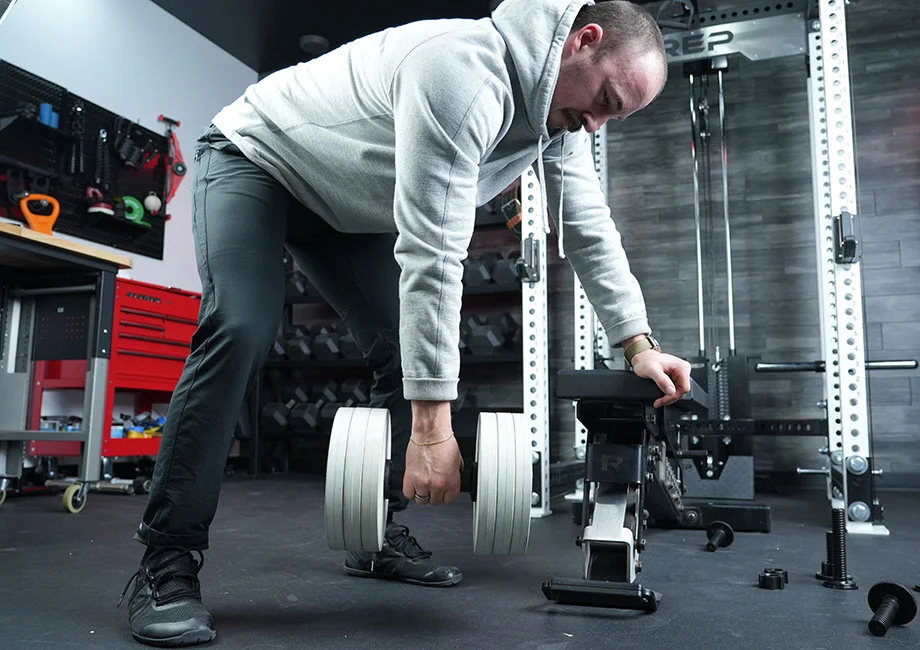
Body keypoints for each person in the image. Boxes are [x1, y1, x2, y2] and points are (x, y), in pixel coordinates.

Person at [119, 0, 692, 646]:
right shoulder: (463, 73)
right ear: (583, 41)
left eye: (614, 117)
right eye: (606, 101)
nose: (596, 123)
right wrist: (431, 430)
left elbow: (587, 227)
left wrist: (637, 343)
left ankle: (371, 532)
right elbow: (433, 254)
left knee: (401, 350)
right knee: (242, 325)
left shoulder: (558, 121)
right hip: (257, 158)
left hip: (343, 207)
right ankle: (165, 558)